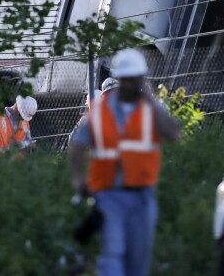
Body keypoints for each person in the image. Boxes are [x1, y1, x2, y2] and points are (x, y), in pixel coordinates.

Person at [68, 48, 180, 276]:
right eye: (126, 79)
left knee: (137, 262)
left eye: (134, 79)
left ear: (141, 79)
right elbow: (78, 145)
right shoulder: (102, 112)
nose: (129, 84)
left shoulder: (151, 110)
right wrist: (78, 178)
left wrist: (151, 102)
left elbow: (174, 135)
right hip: (109, 195)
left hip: (143, 197)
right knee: (112, 255)